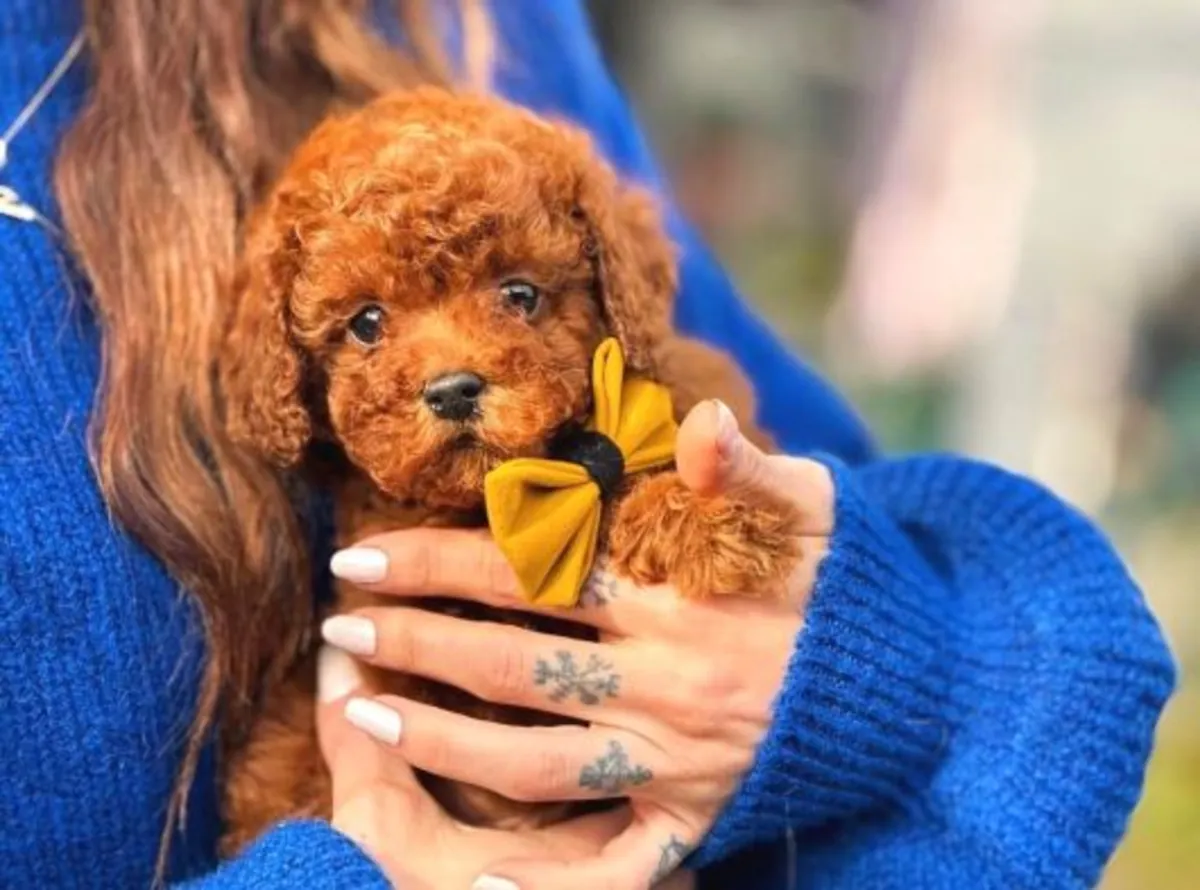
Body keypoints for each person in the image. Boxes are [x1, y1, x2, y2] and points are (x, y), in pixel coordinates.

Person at [0, 2, 1173, 889]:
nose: (450, 364)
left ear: (601, 280)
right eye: (365, 326)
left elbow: (1010, 641)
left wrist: (838, 674)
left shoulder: (462, 18)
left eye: (519, 294)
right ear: (289, 362)